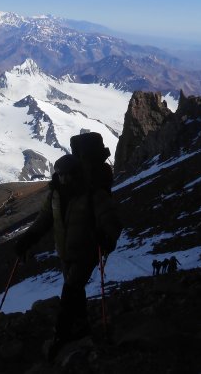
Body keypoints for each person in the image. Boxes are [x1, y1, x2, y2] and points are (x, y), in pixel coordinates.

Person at [14, 133, 121, 359]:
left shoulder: (92, 193)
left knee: (70, 291)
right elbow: (44, 220)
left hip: (87, 250)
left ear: (75, 174)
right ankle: (81, 327)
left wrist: (106, 237)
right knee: (76, 291)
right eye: (59, 175)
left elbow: (109, 217)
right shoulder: (55, 195)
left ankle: (61, 337)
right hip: (65, 252)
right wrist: (28, 239)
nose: (62, 179)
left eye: (65, 175)